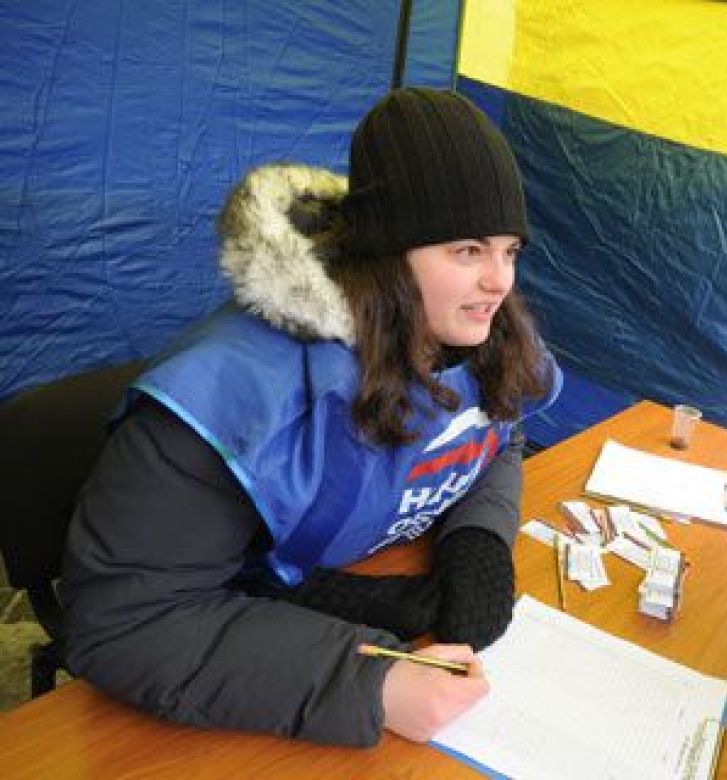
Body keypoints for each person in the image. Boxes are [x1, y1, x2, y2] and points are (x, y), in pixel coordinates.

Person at [61, 87, 561, 746]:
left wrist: (478, 542)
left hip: (354, 590)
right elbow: (127, 621)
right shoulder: (234, 393)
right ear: (391, 254)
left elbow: (498, 432)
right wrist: (368, 684)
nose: (499, 280)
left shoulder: (474, 333)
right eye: (467, 250)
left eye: (510, 250)